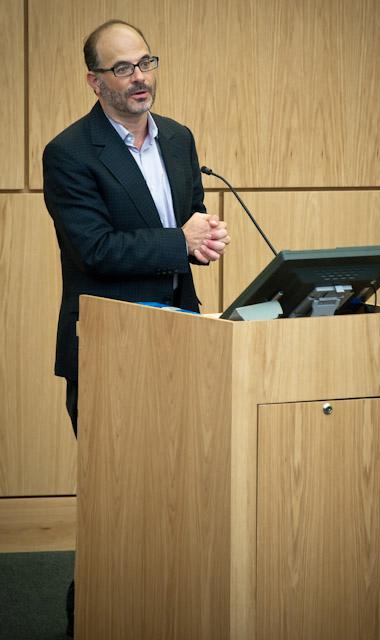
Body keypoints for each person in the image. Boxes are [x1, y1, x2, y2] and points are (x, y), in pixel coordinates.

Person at [43, 19, 230, 637]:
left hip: (184, 342)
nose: (140, 77)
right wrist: (180, 242)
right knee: (118, 508)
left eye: (146, 62)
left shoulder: (178, 139)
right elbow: (93, 249)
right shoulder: (68, 153)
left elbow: (184, 228)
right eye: (123, 68)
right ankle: (93, 620)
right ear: (95, 82)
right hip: (110, 351)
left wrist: (199, 242)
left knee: (182, 499)